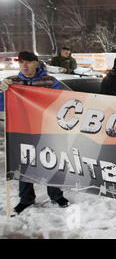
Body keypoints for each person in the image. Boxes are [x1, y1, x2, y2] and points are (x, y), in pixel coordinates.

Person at [0, 51, 69, 214]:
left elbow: (61, 102)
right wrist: (1, 91)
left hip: (46, 130)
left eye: (29, 62)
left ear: (37, 63)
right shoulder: (11, 83)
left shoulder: (50, 81)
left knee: (50, 163)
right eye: (21, 62)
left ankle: (56, 195)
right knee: (24, 165)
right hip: (21, 131)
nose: (24, 65)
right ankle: (26, 199)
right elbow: (2, 106)